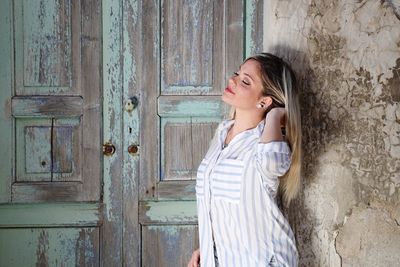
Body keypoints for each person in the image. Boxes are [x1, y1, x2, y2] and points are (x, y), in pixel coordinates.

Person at [187, 53, 301, 267]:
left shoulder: (264, 144)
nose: (233, 80)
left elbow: (271, 162)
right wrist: (208, 246)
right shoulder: (223, 132)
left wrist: (275, 115)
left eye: (245, 81)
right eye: (237, 74)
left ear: (264, 101)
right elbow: (221, 204)